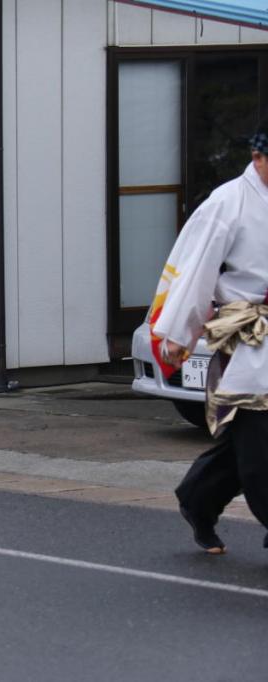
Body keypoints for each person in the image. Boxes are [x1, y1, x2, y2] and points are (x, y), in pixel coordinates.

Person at [151, 120, 268, 554]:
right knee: (258, 443)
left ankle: (197, 498)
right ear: (257, 156)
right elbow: (195, 270)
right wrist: (179, 334)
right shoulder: (228, 203)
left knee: (243, 443)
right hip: (250, 339)